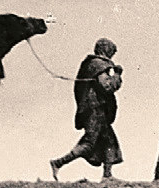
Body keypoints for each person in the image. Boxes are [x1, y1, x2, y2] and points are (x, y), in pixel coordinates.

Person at [50, 38, 124, 180]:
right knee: (90, 143)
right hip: (95, 109)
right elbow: (106, 86)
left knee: (108, 140)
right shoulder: (98, 65)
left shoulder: (92, 64)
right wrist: (117, 75)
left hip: (97, 109)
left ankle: (107, 175)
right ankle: (58, 163)